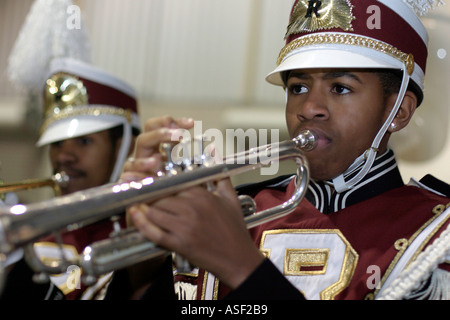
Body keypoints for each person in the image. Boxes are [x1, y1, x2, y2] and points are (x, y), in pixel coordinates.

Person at [111, 0, 450, 300]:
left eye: (340, 87)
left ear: (399, 112)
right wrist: (145, 256)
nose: (310, 107)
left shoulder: (439, 235)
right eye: (298, 87)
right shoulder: (242, 210)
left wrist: (240, 264)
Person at [1, 58, 140, 300]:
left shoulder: (142, 238)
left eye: (84, 141)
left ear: (123, 148)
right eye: (56, 143)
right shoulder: (38, 240)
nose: (63, 156)